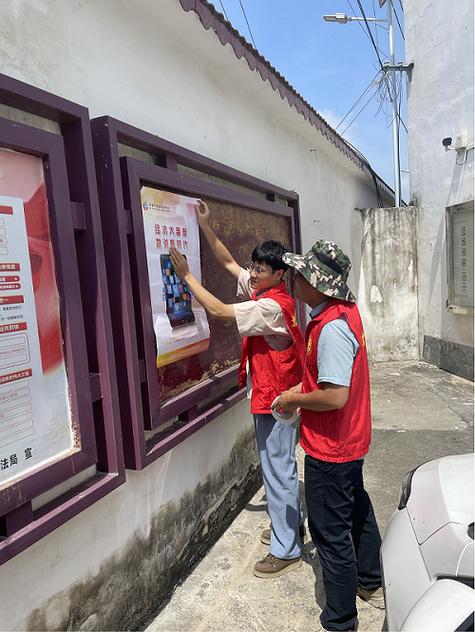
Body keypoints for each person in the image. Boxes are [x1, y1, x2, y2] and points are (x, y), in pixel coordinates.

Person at [170, 200, 305, 579]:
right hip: (274, 396)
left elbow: (217, 311)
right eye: (255, 269)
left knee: (277, 470)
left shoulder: (273, 308)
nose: (253, 275)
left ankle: (286, 548)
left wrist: (186, 277)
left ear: (279, 274)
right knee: (280, 468)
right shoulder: (269, 291)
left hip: (277, 402)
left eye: (260, 271)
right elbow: (230, 264)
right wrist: (206, 227)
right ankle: (288, 527)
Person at [273, 240, 383, 632]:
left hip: (332, 448)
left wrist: (293, 399)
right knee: (356, 510)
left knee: (330, 534)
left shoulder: (333, 328)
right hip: (348, 440)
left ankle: (340, 620)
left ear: (319, 283)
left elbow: (335, 396)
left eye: (301, 274)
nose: (295, 279)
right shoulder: (340, 313)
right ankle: (371, 580)